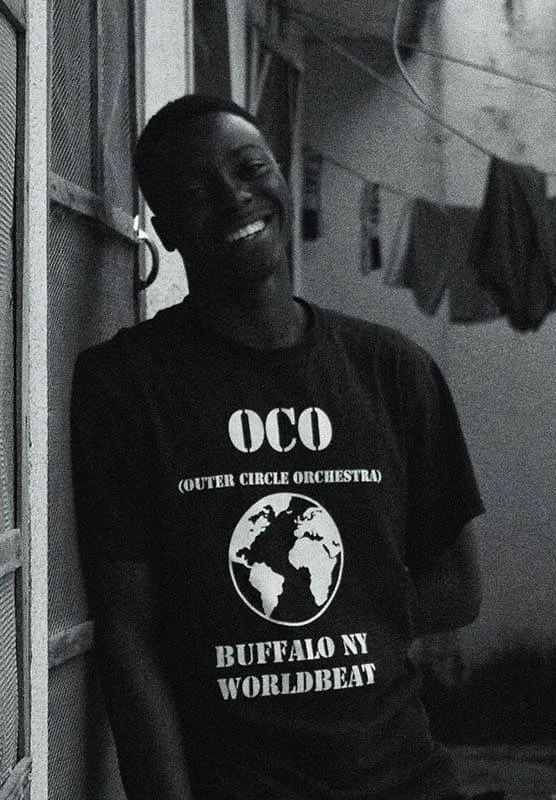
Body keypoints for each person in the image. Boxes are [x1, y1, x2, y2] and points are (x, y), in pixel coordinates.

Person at [71, 94, 484, 800]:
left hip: (404, 779)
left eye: (250, 169)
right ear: (165, 230)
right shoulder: (126, 386)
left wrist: (332, 625)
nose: (234, 197)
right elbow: (128, 638)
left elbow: (458, 589)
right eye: (194, 192)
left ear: (282, 179)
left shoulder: (393, 372)